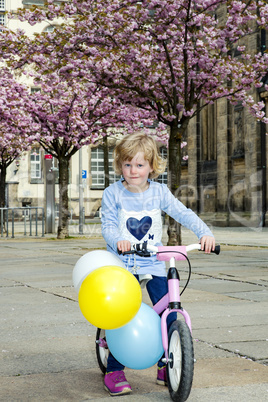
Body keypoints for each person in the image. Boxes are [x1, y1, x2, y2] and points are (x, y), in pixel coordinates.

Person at [101, 132, 215, 396]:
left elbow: (183, 213)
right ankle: (114, 368)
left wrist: (204, 233)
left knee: (170, 311)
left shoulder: (160, 192)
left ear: (152, 166)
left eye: (140, 165)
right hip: (123, 262)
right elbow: (107, 224)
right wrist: (118, 239)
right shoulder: (112, 193)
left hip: (153, 261)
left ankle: (167, 361)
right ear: (120, 165)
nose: (133, 170)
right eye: (127, 164)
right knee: (123, 314)